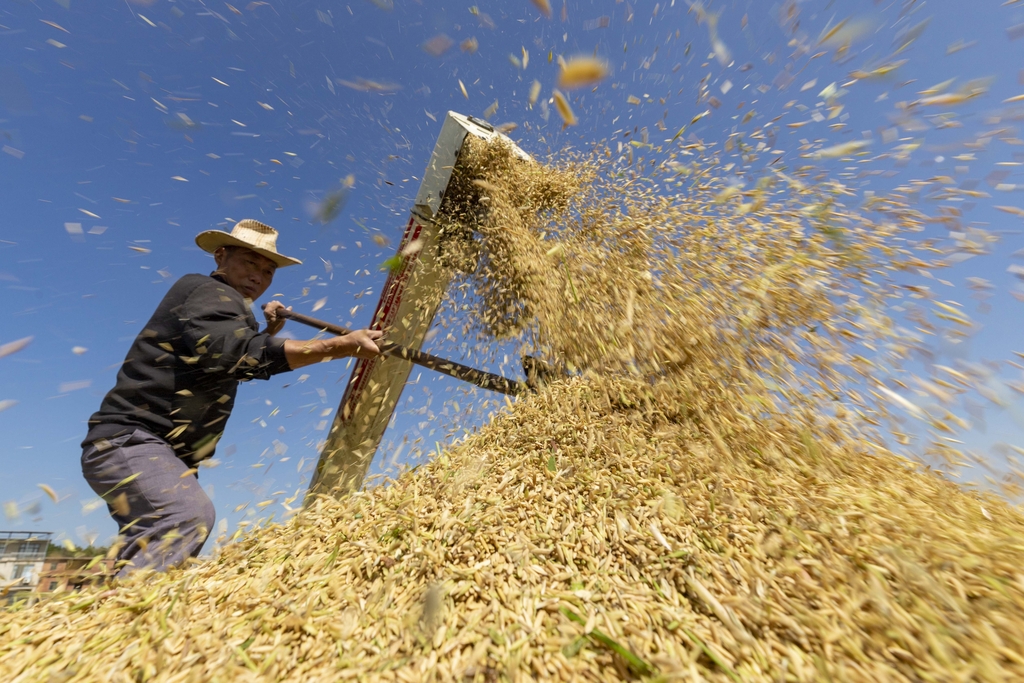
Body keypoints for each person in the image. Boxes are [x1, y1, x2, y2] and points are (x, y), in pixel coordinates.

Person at [80, 219, 382, 577]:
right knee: (185, 516)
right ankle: (121, 623)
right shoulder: (206, 290)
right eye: (250, 263)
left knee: (155, 547)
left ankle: (101, 608)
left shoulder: (227, 305)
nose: (259, 276)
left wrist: (266, 328)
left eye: (268, 271)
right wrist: (337, 346)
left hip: (161, 452)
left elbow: (228, 356)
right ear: (221, 255)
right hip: (131, 441)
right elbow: (235, 354)